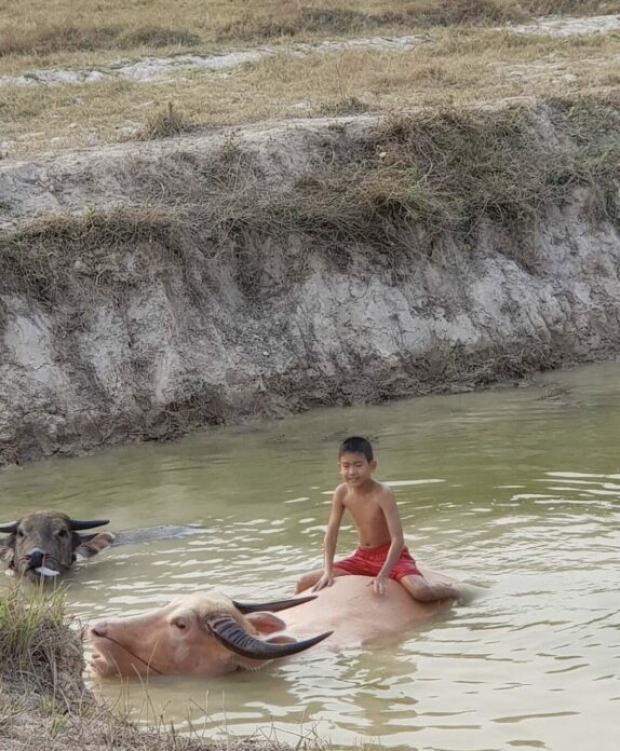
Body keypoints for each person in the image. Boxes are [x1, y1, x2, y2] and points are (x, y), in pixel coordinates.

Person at [295, 436, 460, 602]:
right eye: (346, 466)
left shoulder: (383, 494)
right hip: (362, 557)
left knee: (421, 593)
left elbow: (398, 540)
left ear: (372, 466)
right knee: (303, 582)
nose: (352, 472)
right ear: (339, 467)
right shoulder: (341, 493)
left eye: (358, 465)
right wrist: (328, 570)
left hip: (392, 558)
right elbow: (331, 534)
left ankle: (449, 591)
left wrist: (383, 574)